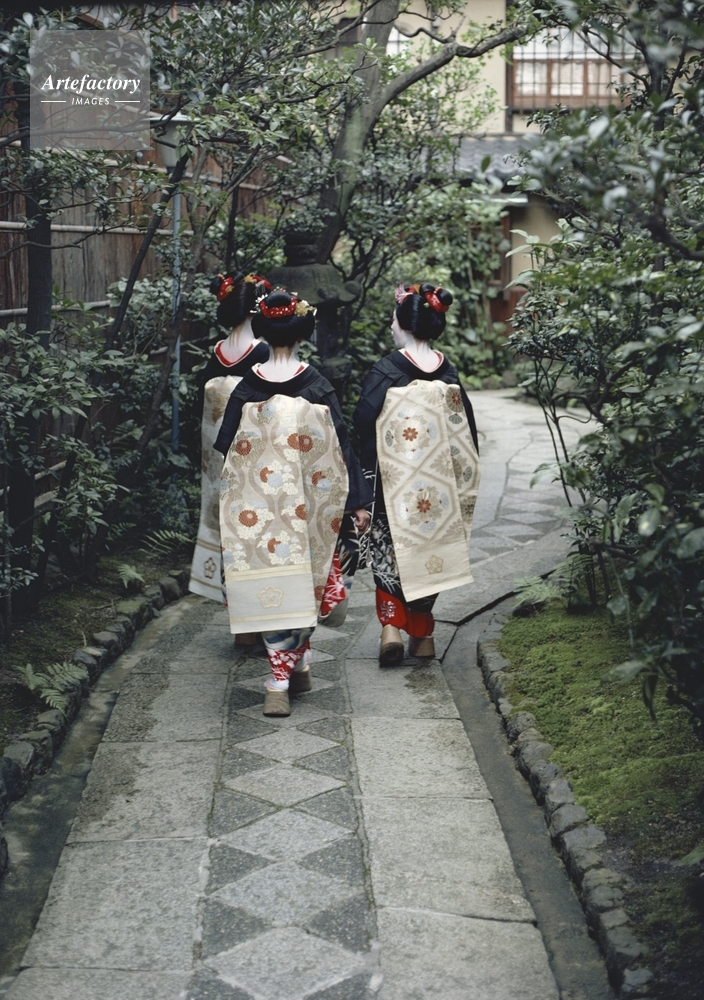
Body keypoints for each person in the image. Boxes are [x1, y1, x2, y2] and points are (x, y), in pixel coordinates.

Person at [214, 288, 372, 716]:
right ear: (303, 333)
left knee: (274, 587)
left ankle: (285, 674)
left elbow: (226, 447)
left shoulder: (248, 387)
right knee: (305, 583)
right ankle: (284, 676)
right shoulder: (315, 385)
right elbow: (341, 445)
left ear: (263, 332)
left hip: (256, 509)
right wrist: (357, 502)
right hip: (310, 509)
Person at [353, 282, 480, 666]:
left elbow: (363, 423)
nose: (391, 325)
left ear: (405, 325)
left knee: (387, 550)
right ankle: (423, 637)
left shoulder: (387, 370)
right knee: (431, 549)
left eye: (394, 319)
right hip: (438, 486)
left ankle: (391, 629)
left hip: (392, 482)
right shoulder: (447, 372)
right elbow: (466, 430)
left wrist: (361, 478)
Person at [188, 272, 270, 612]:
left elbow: (201, 402)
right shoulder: (262, 352)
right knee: (252, 512)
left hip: (215, 448)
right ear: (255, 311)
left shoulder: (217, 352)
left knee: (222, 512)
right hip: (249, 445)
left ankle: (227, 589)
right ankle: (250, 592)